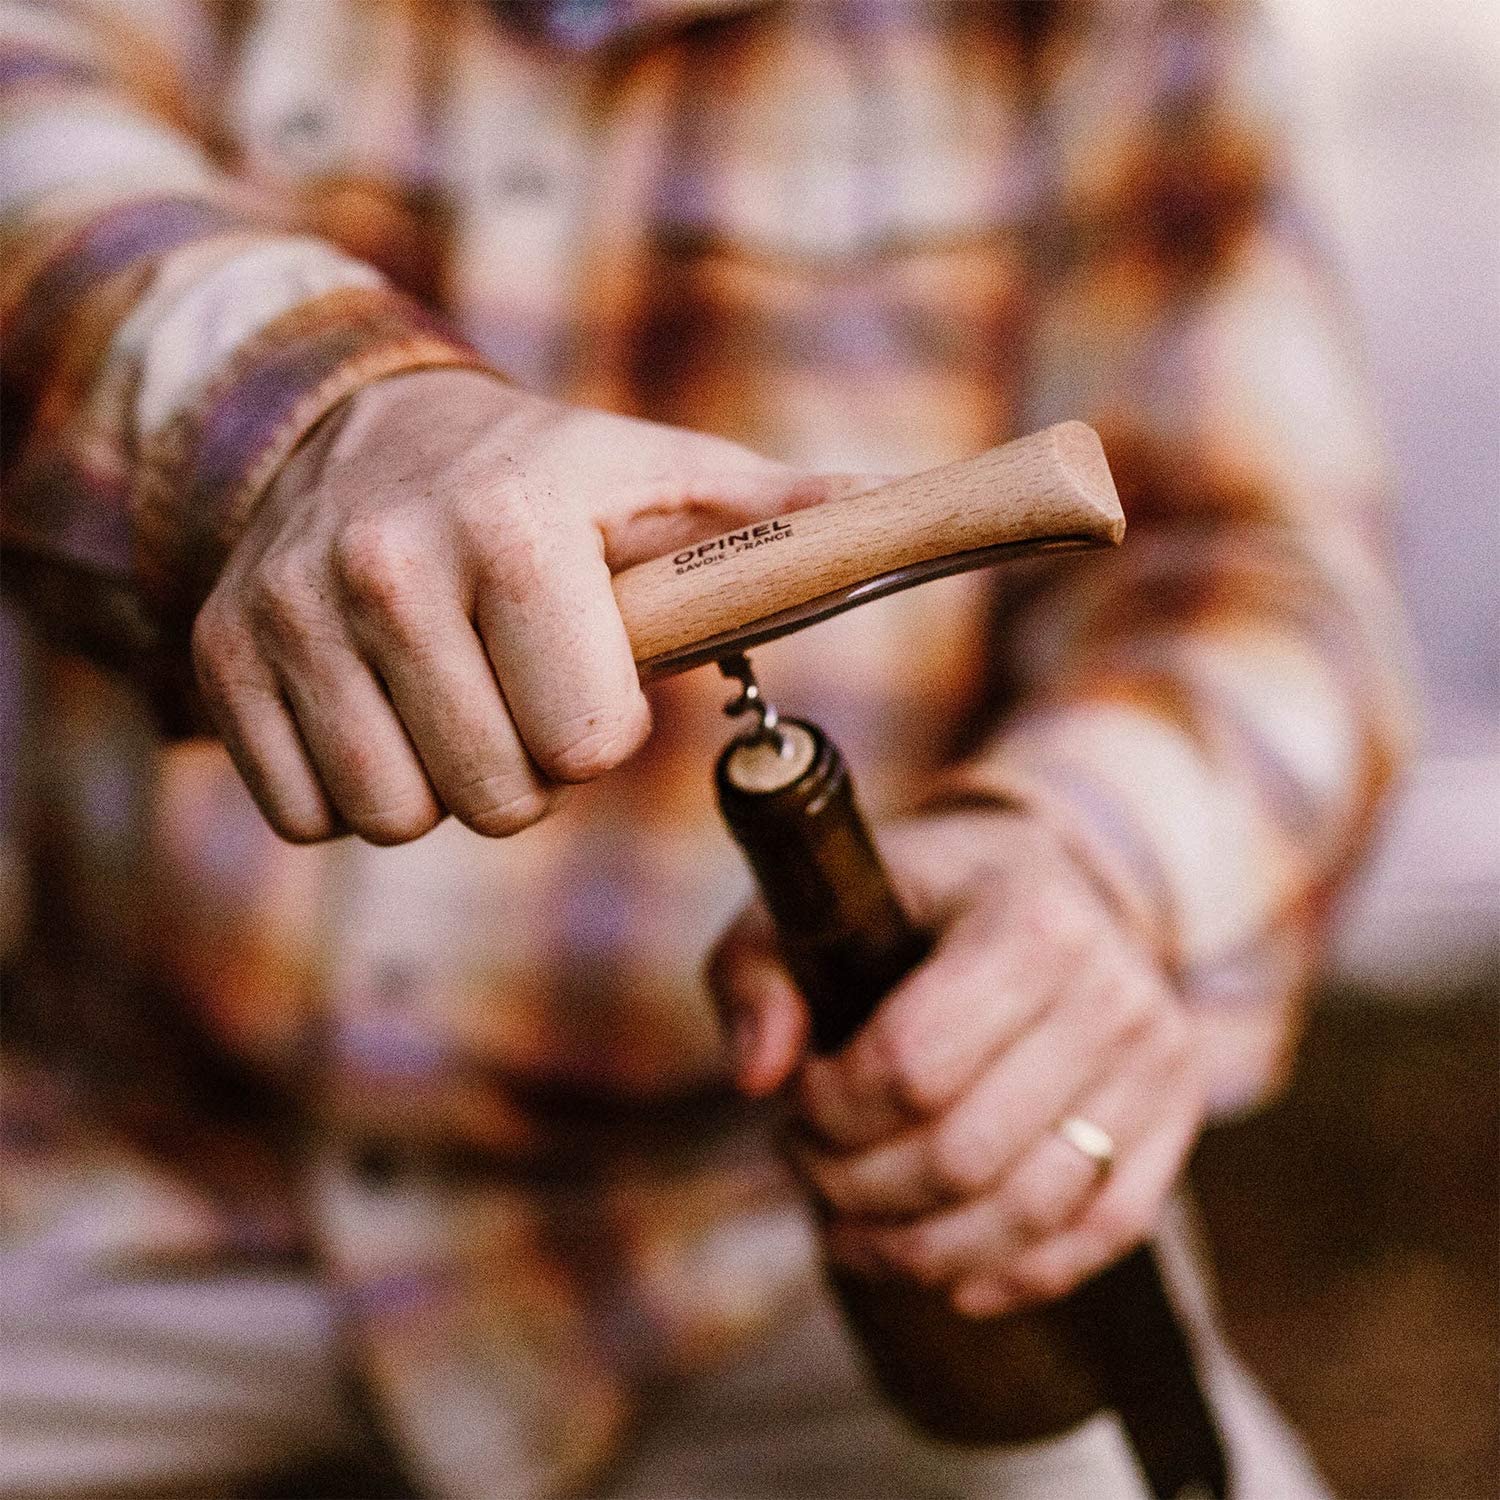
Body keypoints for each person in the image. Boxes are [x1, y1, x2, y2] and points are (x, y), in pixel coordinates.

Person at [0, 1, 1409, 1496]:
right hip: (133, 1177)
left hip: (777, 1232)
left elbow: (1261, 578)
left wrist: (1078, 860)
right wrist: (310, 420)